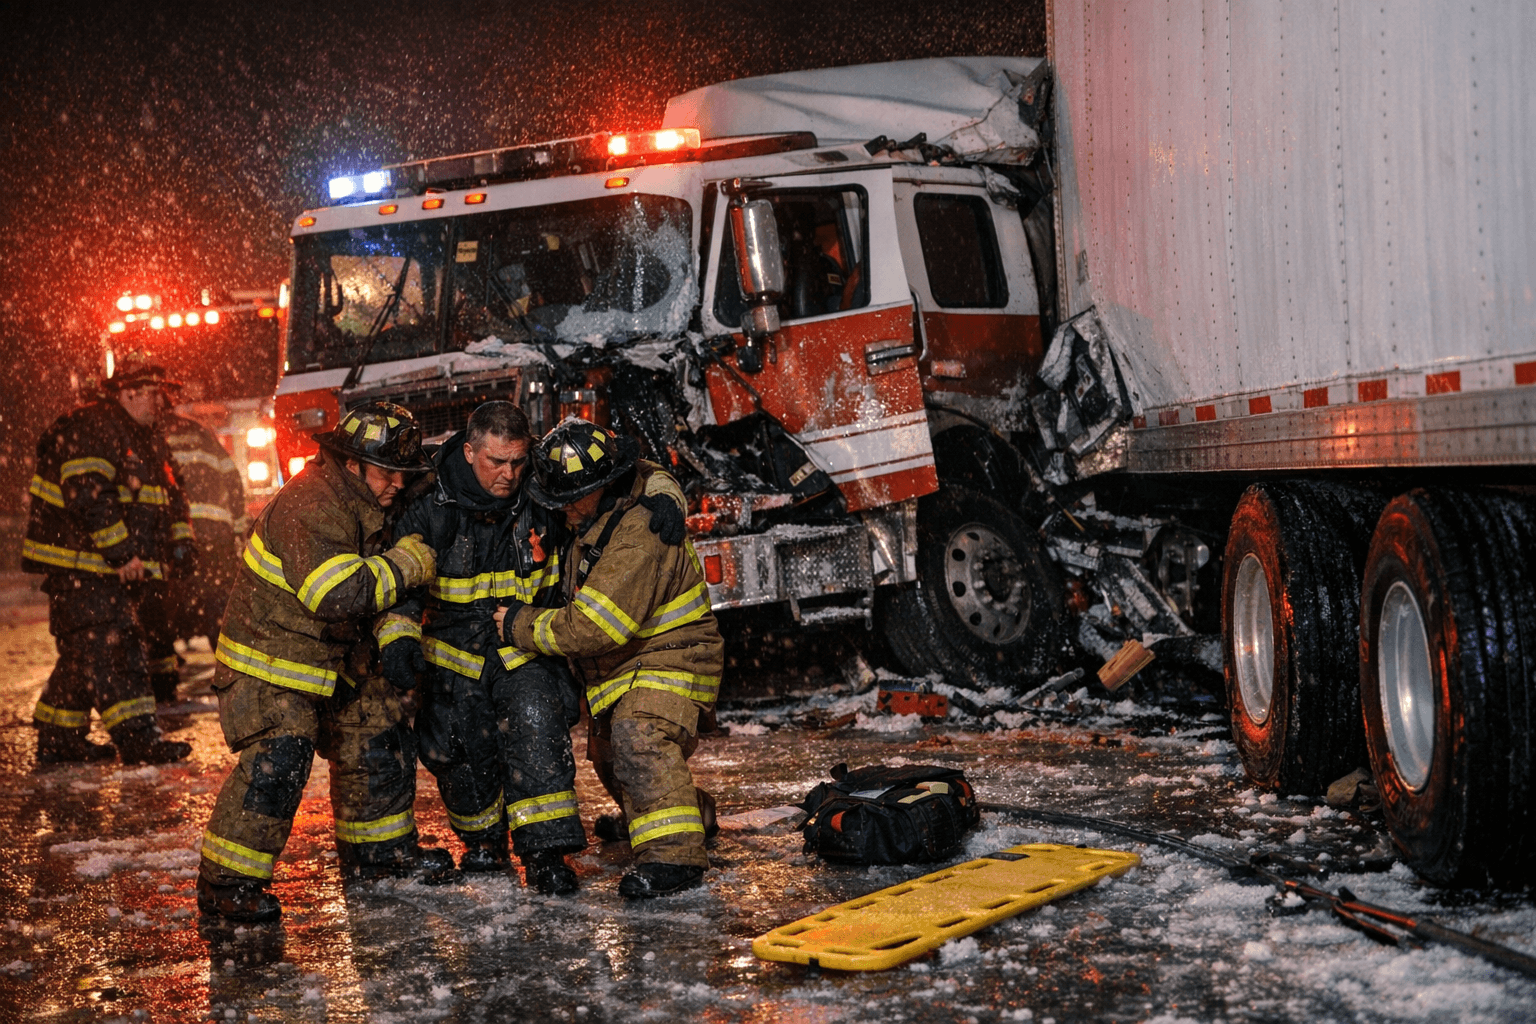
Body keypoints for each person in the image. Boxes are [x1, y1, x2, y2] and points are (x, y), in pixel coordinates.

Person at [197, 402, 455, 923]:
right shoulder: (311, 504)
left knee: (379, 734)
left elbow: (373, 599)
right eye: (388, 473)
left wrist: (396, 636)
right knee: (279, 760)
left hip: (333, 661)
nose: (397, 487)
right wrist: (405, 566)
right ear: (352, 463)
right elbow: (337, 594)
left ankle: (378, 857)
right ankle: (227, 885)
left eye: (405, 477)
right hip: (268, 666)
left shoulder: (370, 501)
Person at [495, 418, 723, 898]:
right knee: (610, 754)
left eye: (573, 499)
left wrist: (517, 623)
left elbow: (595, 626)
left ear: (603, 486)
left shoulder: (636, 534)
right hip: (627, 666)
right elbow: (642, 466)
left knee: (638, 737)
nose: (566, 510)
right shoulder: (602, 507)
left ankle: (673, 858)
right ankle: (679, 814)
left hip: (674, 658)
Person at [387, 401, 586, 894]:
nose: (509, 475)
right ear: (470, 449)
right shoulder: (428, 502)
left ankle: (546, 853)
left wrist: (665, 494)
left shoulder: (542, 486)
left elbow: (621, 474)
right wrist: (397, 639)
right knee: (456, 745)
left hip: (523, 645)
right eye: (496, 462)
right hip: (453, 655)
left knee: (537, 725)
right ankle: (483, 842)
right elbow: (400, 585)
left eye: (518, 462)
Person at [22, 357, 196, 766]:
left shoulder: (132, 432)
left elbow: (158, 499)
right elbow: (88, 494)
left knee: (85, 653)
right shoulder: (96, 427)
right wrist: (122, 554)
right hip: (85, 565)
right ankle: (140, 740)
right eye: (153, 393)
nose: (160, 402)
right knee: (116, 649)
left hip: (94, 567)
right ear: (127, 392)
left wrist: (172, 548)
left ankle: (59, 737)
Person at [161, 408, 248, 647]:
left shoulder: (149, 434)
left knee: (169, 606)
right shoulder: (200, 431)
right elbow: (233, 479)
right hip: (217, 535)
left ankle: (166, 659)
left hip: (179, 537)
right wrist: (239, 529)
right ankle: (229, 667)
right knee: (220, 606)